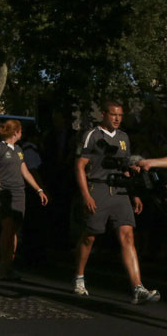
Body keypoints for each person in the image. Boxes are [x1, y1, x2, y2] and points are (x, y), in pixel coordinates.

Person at [73, 101, 160, 304]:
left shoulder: (123, 137)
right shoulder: (91, 135)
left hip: (120, 191)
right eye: (113, 114)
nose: (117, 118)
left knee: (127, 235)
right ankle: (79, 277)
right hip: (98, 188)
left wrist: (134, 193)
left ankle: (138, 287)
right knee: (90, 236)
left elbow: (126, 166)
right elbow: (80, 166)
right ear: (104, 114)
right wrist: (86, 194)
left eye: (120, 115)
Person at [0, 119, 48, 280]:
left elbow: (25, 171)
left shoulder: (19, 150)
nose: (22, 134)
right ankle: (3, 264)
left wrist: (38, 189)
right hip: (3, 192)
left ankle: (9, 265)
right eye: (20, 131)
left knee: (14, 231)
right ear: (15, 132)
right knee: (7, 227)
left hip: (19, 193)